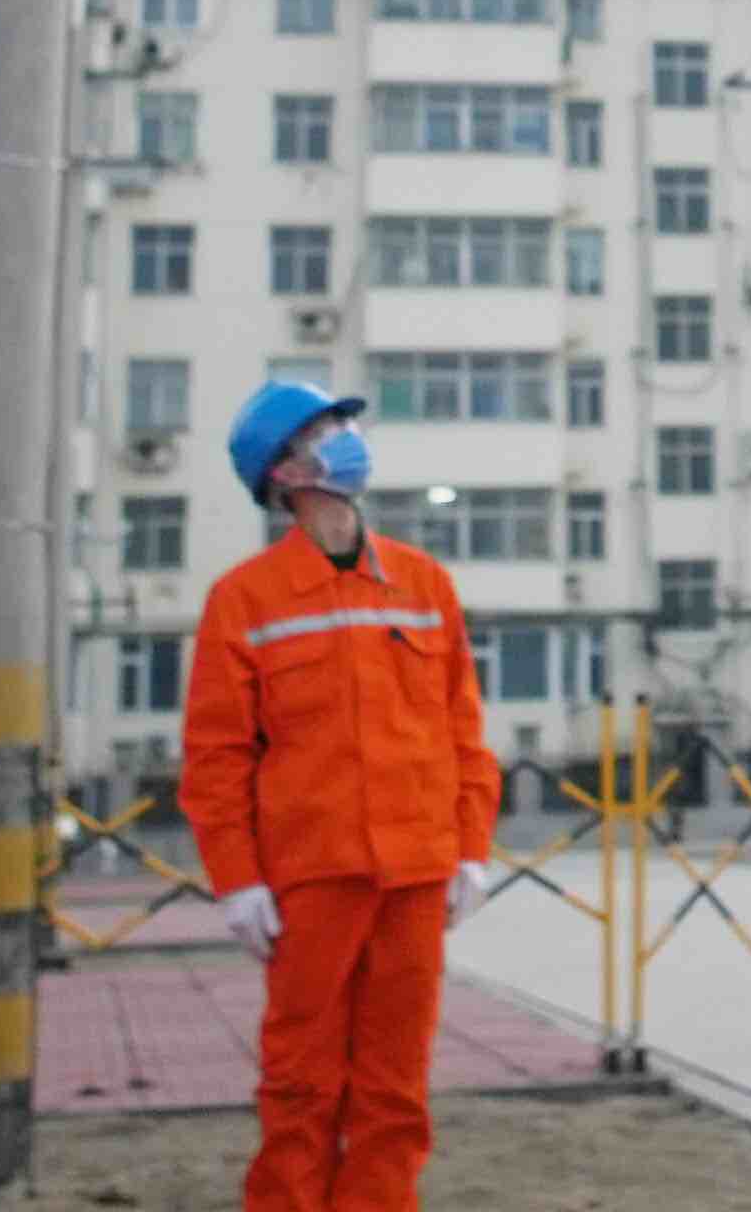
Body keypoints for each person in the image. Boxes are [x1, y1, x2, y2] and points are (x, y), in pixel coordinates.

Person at [180, 382, 500, 1212]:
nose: (347, 439)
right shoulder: (244, 600)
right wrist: (238, 879)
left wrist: (471, 847)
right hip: (312, 880)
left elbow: (464, 728)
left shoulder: (424, 585)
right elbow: (216, 758)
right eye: (325, 430)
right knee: (301, 1089)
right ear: (283, 471)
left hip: (417, 875)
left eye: (345, 425)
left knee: (395, 1094)